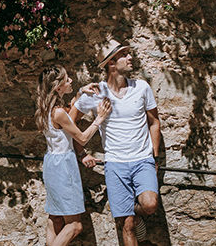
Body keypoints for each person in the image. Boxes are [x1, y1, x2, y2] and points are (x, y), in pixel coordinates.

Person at [72, 39, 163, 246]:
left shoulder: (142, 87)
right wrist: (82, 153)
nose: (130, 57)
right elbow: (71, 122)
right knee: (127, 225)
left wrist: (155, 157)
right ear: (111, 63)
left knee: (150, 204)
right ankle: (131, 214)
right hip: (115, 165)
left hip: (142, 160)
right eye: (124, 55)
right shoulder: (97, 93)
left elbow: (154, 122)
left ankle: (134, 210)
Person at [35, 65, 112, 246]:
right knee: (75, 225)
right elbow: (83, 138)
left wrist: (79, 93)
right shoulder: (59, 112)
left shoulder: (48, 109)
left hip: (52, 163)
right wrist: (99, 118)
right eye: (66, 80)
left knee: (55, 217)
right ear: (58, 87)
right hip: (64, 166)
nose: (71, 81)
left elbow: (67, 116)